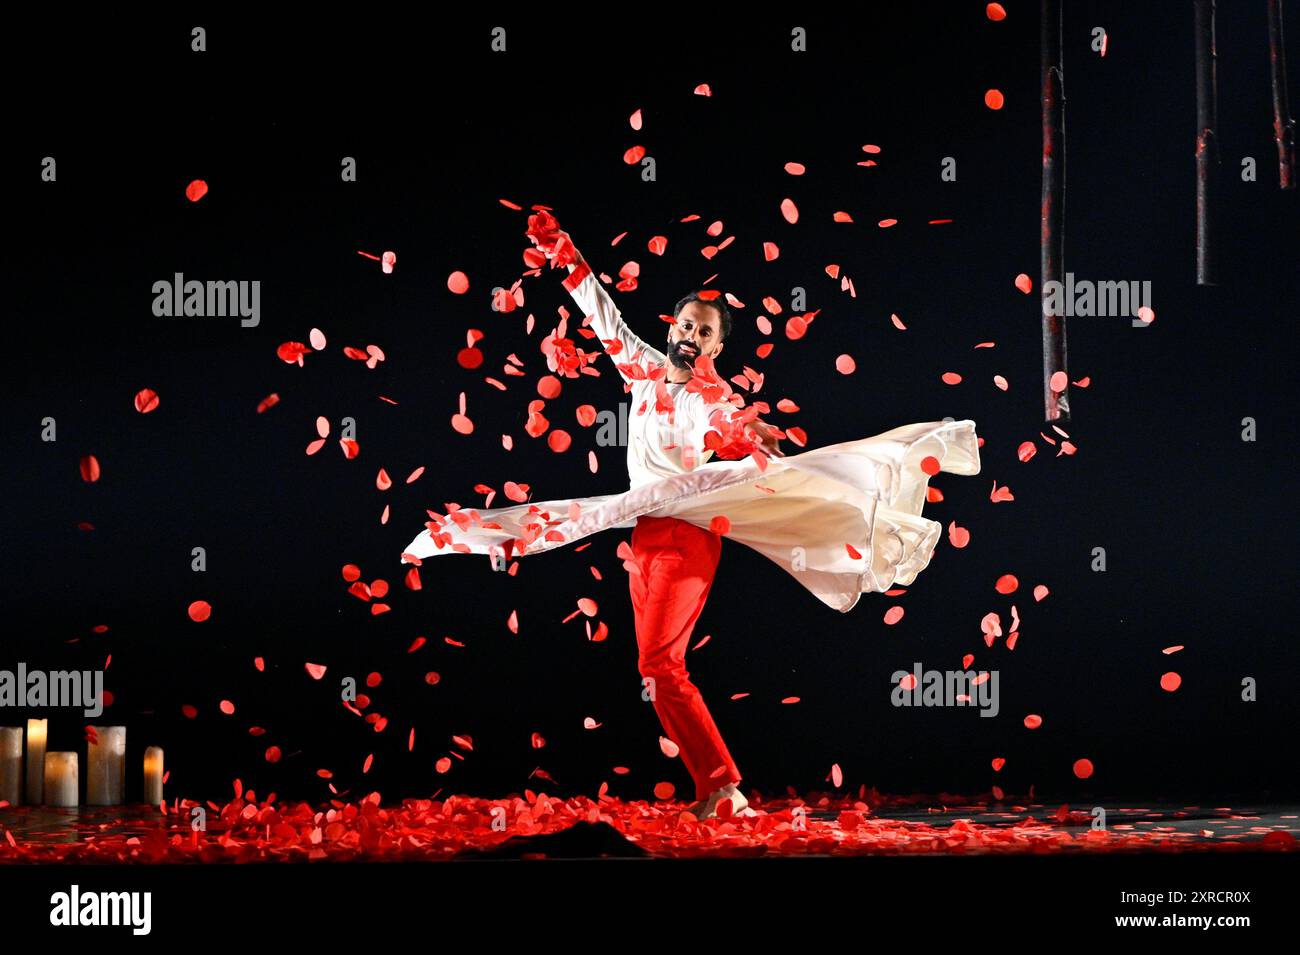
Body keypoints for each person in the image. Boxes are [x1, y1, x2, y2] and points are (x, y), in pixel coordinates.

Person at [401, 215, 983, 820]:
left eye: (703, 332)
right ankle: (715, 787)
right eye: (685, 324)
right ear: (674, 328)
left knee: (661, 663)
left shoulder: (711, 398)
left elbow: (724, 425)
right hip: (644, 535)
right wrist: (561, 250)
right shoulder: (642, 370)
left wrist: (746, 427)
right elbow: (604, 315)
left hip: (688, 534)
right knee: (653, 665)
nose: (690, 335)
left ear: (714, 347)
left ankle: (723, 786)